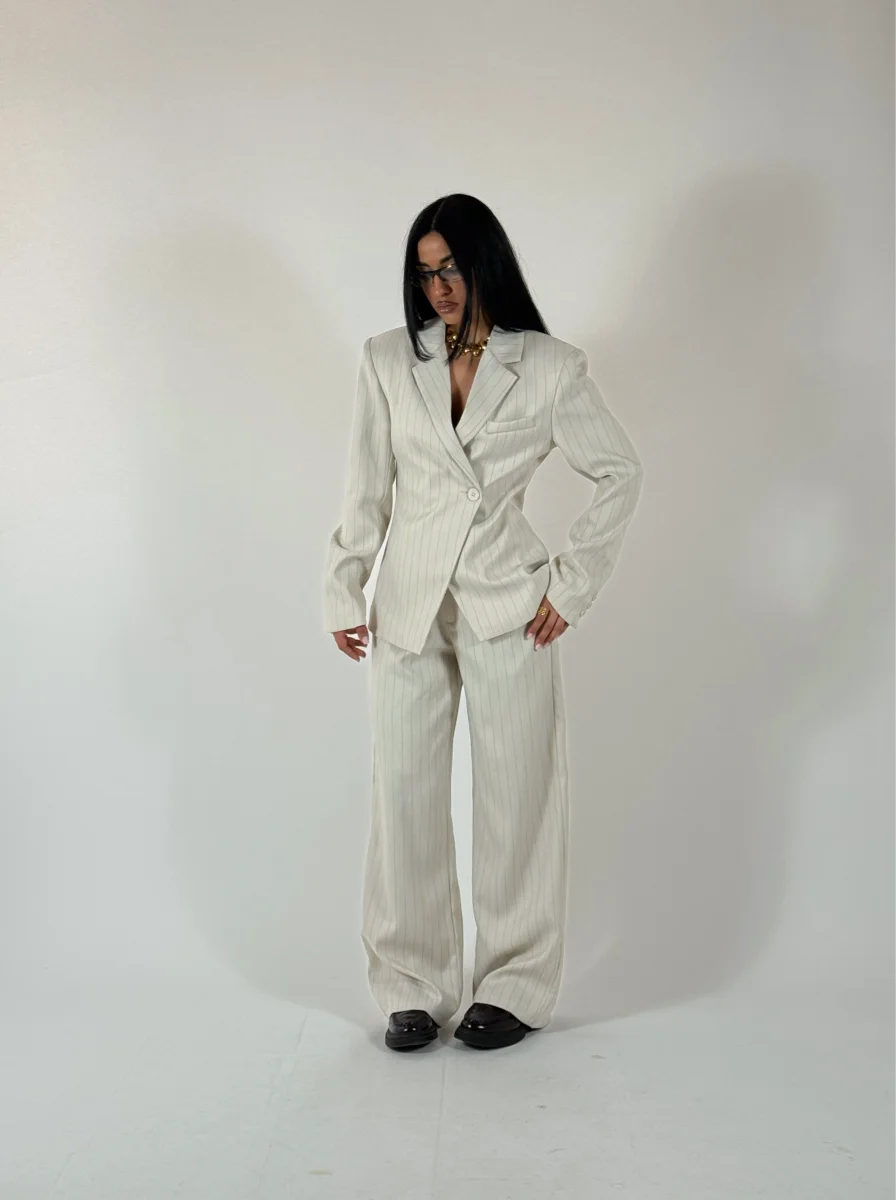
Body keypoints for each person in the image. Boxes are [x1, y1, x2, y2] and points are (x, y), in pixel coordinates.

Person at [323, 193, 644, 1052]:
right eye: (425, 272)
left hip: (510, 604)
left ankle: (514, 984)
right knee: (404, 798)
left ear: (484, 263)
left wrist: (571, 587)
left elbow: (620, 471)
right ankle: (411, 985)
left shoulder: (549, 366)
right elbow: (365, 486)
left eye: (453, 268)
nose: (438, 287)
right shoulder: (388, 359)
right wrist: (344, 587)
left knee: (517, 800)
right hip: (408, 608)